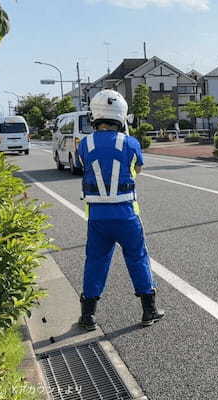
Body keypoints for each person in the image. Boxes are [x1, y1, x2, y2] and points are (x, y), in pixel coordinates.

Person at [76, 89, 165, 331]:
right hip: (126, 215)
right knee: (137, 258)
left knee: (95, 261)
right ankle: (149, 310)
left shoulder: (84, 144)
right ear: (122, 116)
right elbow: (137, 171)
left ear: (94, 115)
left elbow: (83, 166)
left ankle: (88, 316)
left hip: (97, 217)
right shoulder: (131, 143)